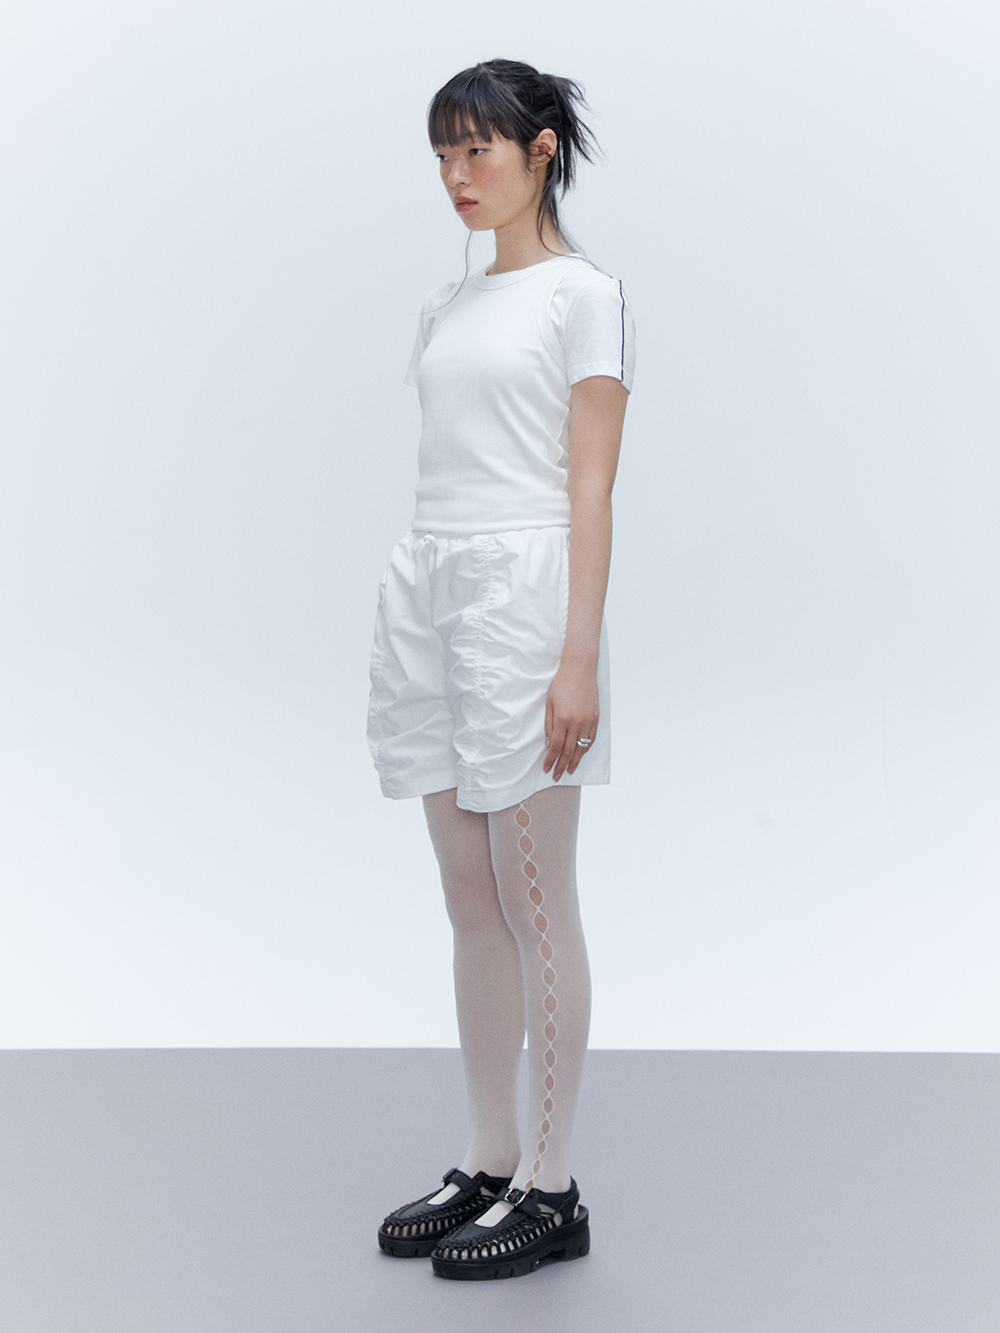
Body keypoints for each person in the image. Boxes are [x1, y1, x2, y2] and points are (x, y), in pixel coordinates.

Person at [366, 57, 635, 1281]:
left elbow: (591, 488)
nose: (454, 174)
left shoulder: (585, 296)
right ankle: (486, 1159)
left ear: (539, 153)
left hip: (526, 597)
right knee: (468, 899)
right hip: (432, 586)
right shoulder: (447, 303)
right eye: (442, 152)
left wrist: (576, 658)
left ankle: (551, 1181)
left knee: (536, 903)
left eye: (475, 148)